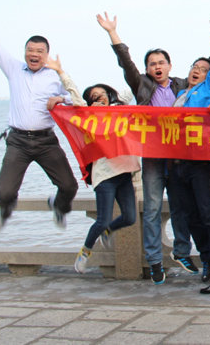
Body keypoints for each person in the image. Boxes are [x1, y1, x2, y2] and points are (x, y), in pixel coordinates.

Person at [96, 12, 198, 284]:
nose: (157, 67)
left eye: (161, 62)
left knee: (180, 208)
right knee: (152, 209)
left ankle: (182, 251)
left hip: (178, 158)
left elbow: (206, 82)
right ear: (148, 69)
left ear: (170, 65)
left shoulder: (182, 85)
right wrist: (112, 32)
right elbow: (125, 62)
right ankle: (154, 261)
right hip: (153, 159)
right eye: (152, 64)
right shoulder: (142, 85)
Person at [0, 2, 79, 233]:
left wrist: (61, 98)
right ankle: (6, 210)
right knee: (4, 192)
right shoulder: (14, 69)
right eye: (30, 50)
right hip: (18, 141)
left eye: (39, 51)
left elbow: (77, 98)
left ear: (46, 55)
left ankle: (58, 206)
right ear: (25, 52)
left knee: (69, 187)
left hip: (46, 141)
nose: (34, 54)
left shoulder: (55, 76)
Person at [43, 56, 139, 274]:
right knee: (102, 219)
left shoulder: (120, 109)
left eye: (102, 94)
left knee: (130, 217)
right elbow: (76, 97)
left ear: (109, 95)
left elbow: (133, 83)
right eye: (94, 96)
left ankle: (108, 232)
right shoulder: (87, 117)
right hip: (105, 176)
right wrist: (60, 72)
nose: (99, 98)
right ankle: (85, 251)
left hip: (125, 173)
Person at [169, 13, 210, 286]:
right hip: (176, 164)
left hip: (200, 162)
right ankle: (205, 258)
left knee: (207, 213)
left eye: (203, 69)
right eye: (195, 67)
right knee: (190, 216)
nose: (197, 70)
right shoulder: (180, 95)